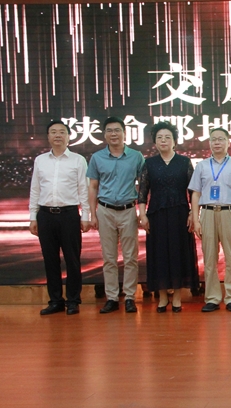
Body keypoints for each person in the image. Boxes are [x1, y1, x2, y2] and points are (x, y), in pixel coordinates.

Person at [29, 120, 90, 315]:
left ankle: (73, 300)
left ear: (68, 136)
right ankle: (55, 301)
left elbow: (83, 189)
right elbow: (35, 189)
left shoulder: (78, 160)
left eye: (62, 132)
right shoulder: (40, 160)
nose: (57, 135)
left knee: (72, 259)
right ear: (48, 136)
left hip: (69, 215)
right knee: (50, 260)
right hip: (45, 215)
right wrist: (33, 216)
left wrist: (86, 215)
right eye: (53, 132)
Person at [138, 121, 199, 313]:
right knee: (159, 254)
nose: (163, 140)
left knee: (179, 252)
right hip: (156, 215)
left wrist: (193, 213)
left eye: (167, 137)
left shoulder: (184, 162)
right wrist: (142, 214)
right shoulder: (149, 163)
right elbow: (142, 191)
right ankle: (163, 297)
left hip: (180, 214)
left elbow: (193, 191)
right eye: (159, 137)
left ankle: (178, 298)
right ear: (155, 141)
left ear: (174, 141)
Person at [189, 128, 231, 312]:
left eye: (221, 139)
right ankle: (212, 298)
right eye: (213, 139)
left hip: (229, 212)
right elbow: (195, 193)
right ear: (209, 143)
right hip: (207, 213)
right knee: (209, 258)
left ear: (228, 142)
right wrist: (196, 219)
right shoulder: (201, 166)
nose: (217, 142)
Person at [88, 117, 145, 313]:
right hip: (105, 210)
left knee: (131, 257)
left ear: (124, 133)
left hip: (128, 210)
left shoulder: (136, 156)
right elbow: (93, 186)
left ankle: (129, 297)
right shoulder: (97, 158)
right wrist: (92, 214)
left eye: (117, 130)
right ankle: (112, 297)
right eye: (110, 130)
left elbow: (143, 185)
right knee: (109, 257)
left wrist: (142, 211)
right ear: (104, 135)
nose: (114, 134)